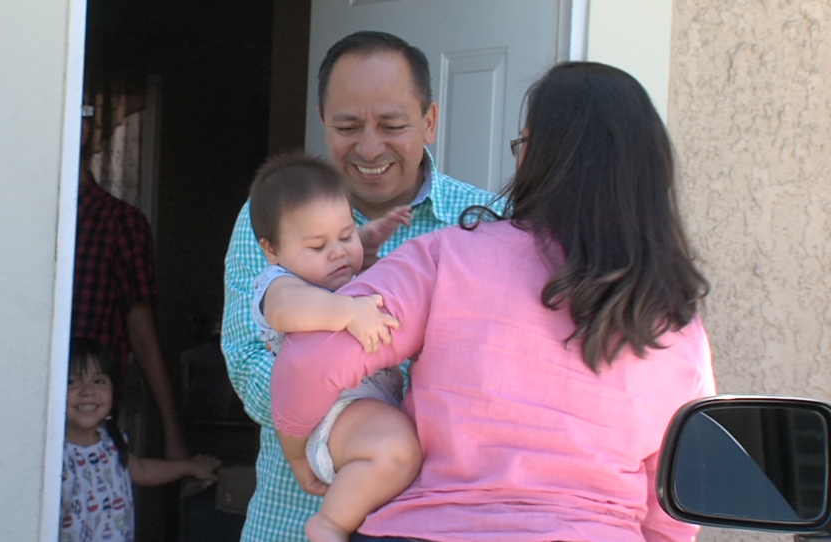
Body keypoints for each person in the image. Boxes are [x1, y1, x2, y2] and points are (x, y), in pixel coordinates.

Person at [271, 61, 717, 542]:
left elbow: (314, 355)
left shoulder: (448, 259)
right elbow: (673, 507)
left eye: (524, 144)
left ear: (536, 156)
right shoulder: (677, 322)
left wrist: (296, 447)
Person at [221, 31, 503, 542]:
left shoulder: (485, 223)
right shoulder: (272, 219)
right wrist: (352, 417)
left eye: (392, 125)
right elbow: (246, 360)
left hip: (439, 522)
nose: (370, 148)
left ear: (430, 122)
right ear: (323, 123)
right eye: (348, 126)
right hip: (293, 516)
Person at [248, 153, 422, 542]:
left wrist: (369, 242)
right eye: (317, 245)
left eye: (346, 234)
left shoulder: (336, 271)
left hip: (368, 404)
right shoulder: (277, 284)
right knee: (396, 450)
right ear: (272, 250)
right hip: (331, 416)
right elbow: (291, 310)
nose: (338, 253)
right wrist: (347, 311)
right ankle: (329, 524)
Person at [72, 112, 188, 460]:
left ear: (85, 129)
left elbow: (141, 332)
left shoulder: (118, 222)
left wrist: (172, 432)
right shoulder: (15, 216)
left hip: (91, 425)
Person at [60, 338, 221, 542]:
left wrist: (190, 467)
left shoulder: (110, 442)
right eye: (72, 381)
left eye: (99, 381)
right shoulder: (54, 452)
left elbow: (142, 470)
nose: (87, 392)